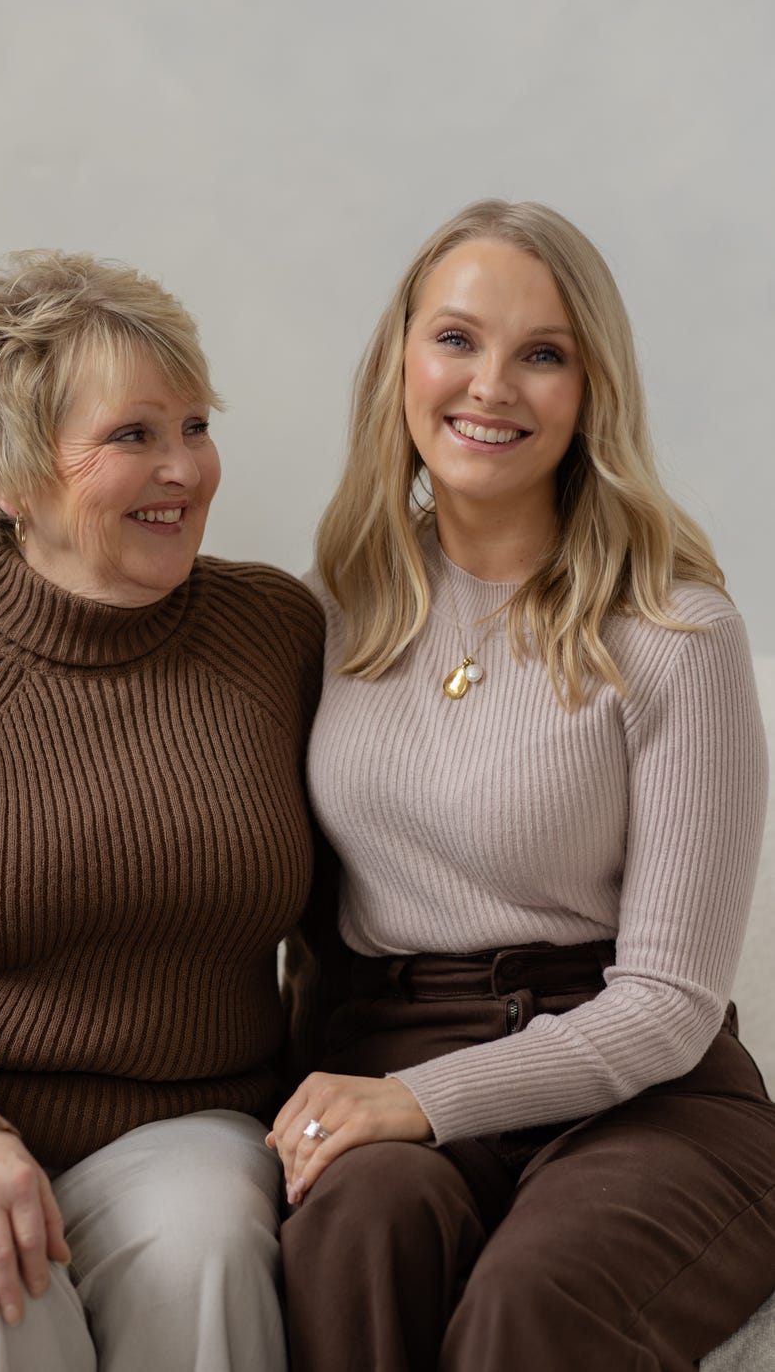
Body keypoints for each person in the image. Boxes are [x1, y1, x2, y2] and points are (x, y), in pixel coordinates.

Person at [267, 200, 775, 1370]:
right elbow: (144, 673)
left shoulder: (672, 633)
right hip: (384, 1051)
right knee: (348, 1233)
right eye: (455, 338)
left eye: (541, 353)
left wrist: (426, 1099)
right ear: (399, 359)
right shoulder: (325, 611)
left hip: (642, 1095)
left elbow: (666, 1004)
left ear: (590, 392)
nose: (489, 384)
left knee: (530, 1302)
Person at [0, 250, 324, 1372]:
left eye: (193, 422)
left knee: (207, 1246)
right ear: (8, 471)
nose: (181, 465)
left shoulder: (277, 633)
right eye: (132, 434)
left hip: (187, 1124)